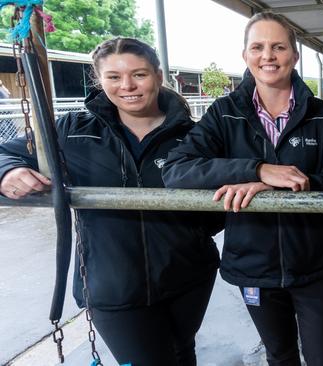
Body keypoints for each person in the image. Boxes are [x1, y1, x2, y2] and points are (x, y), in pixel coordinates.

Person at [0, 37, 223, 365]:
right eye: (114, 77)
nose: (128, 86)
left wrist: (195, 231)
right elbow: (6, 151)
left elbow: (220, 202)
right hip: (111, 285)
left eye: (139, 74)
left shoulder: (195, 135)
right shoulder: (71, 130)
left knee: (182, 351)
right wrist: (8, 171)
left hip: (188, 276)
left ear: (159, 76)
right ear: (99, 80)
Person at [162, 11, 323, 366]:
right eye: (258, 47)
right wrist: (257, 171)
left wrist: (299, 182)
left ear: (294, 56)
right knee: (279, 355)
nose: (268, 55)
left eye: (278, 46)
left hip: (316, 263)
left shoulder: (321, 114)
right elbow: (176, 169)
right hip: (255, 265)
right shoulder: (224, 113)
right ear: (246, 55)